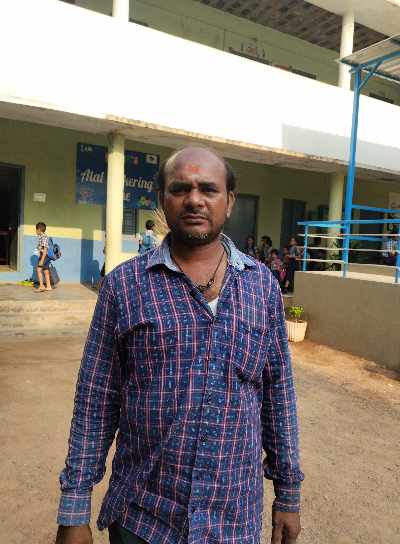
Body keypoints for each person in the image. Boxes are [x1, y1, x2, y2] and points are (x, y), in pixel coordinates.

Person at [55, 146, 303, 544]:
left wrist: (288, 494)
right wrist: (74, 510)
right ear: (162, 199)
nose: (194, 199)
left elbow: (278, 396)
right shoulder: (124, 286)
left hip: (232, 519)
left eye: (208, 189)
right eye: (180, 188)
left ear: (229, 201)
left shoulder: (262, 287)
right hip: (142, 518)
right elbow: (96, 399)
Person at [34, 222, 52, 292]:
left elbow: (45, 250)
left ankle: (41, 286)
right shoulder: (42, 237)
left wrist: (41, 260)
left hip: (44, 256)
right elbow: (41, 247)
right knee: (45, 270)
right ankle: (48, 286)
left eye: (36, 230)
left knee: (38, 270)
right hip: (46, 256)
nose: (36, 231)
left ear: (39, 230)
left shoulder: (44, 237)